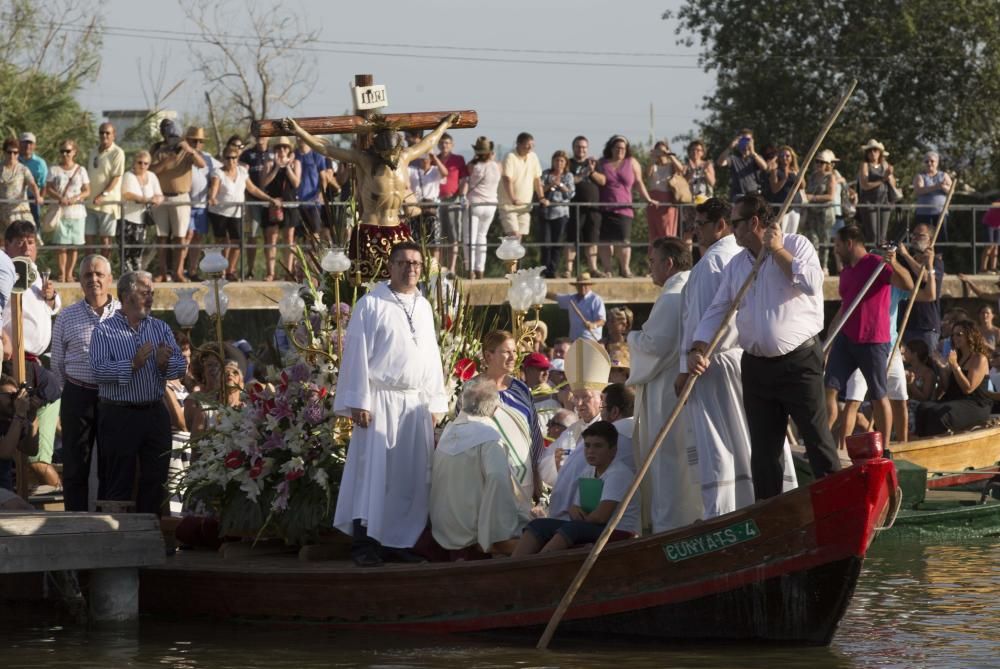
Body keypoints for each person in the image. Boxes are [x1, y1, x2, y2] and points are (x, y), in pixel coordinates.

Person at [687, 193, 841, 500]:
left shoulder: (796, 245)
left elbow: (812, 283)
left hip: (798, 362)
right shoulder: (736, 265)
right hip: (756, 366)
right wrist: (697, 348)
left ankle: (838, 501)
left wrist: (778, 250)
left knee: (816, 439)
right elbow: (718, 310)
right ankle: (768, 512)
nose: (731, 229)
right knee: (764, 448)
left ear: (753, 222)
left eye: (736, 223)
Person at [332, 241, 448, 566]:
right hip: (379, 400)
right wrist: (359, 400)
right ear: (391, 267)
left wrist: (435, 401)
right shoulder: (370, 304)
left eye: (416, 263)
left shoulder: (423, 307)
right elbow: (356, 352)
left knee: (409, 477)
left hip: (415, 404)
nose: (411, 268)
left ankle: (400, 542)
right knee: (373, 475)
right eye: (404, 262)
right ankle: (366, 546)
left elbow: (431, 358)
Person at [282, 113, 459, 278]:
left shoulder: (405, 156)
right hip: (371, 230)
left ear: (398, 147)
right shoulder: (364, 160)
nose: (391, 158)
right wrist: (298, 131)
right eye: (387, 154)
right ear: (379, 150)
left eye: (394, 153)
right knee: (366, 283)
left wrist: (445, 125)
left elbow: (429, 142)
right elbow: (326, 149)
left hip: (397, 229)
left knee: (407, 279)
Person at [90, 271, 186, 515]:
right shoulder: (104, 331)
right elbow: (99, 372)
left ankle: (150, 535)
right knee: (118, 479)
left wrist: (165, 365)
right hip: (119, 415)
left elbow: (181, 367)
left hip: (154, 413)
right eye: (145, 293)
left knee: (155, 478)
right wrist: (131, 364)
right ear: (127, 295)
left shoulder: (161, 328)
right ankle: (117, 540)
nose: (151, 298)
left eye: (152, 293)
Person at [627, 236, 699, 529]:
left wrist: (632, 337)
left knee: (668, 459)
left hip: (667, 391)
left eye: (652, 262)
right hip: (676, 386)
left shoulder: (673, 296)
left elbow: (655, 344)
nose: (650, 269)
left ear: (669, 263)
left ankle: (670, 525)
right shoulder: (688, 288)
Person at [824, 225, 914, 449]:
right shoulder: (846, 272)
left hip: (873, 340)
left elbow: (908, 285)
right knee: (829, 388)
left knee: (878, 395)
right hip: (846, 339)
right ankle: (823, 443)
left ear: (849, 243)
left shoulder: (876, 264)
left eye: (837, 245)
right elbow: (845, 308)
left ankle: (884, 448)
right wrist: (829, 339)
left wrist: (892, 263)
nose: (835, 250)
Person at [429, 377, 531, 558]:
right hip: (475, 536)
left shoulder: (447, 432)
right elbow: (498, 480)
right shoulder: (489, 437)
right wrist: (495, 532)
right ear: (494, 409)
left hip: (442, 530)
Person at [50, 254, 117, 510]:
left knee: (111, 463)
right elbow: (56, 363)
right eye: (88, 275)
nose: (94, 279)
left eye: (99, 274)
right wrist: (71, 393)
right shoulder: (67, 317)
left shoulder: (124, 313)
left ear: (109, 279)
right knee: (76, 464)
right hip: (78, 395)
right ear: (80, 281)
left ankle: (107, 523)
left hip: (114, 397)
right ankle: (75, 521)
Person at [512, 420, 638, 556]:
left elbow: (601, 517)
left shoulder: (618, 473)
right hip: (593, 527)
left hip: (618, 531)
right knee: (538, 525)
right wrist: (575, 513)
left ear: (613, 450)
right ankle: (513, 566)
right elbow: (575, 509)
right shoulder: (589, 472)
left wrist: (579, 519)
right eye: (587, 446)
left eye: (598, 446)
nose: (591, 451)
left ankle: (538, 566)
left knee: (572, 529)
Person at [1, 220, 61, 490]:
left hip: (36, 358)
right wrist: (3, 336)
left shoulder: (36, 275)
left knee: (36, 455)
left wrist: (51, 298)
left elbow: (47, 310)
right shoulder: (5, 272)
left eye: (31, 241)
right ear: (7, 246)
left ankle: (32, 414)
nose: (26, 246)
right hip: (15, 360)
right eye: (20, 242)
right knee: (52, 385)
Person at [539, 339, 610, 499]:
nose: (579, 404)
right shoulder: (573, 430)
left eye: (585, 397)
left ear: (601, 398)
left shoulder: (611, 429)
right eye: (576, 397)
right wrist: (557, 464)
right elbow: (546, 468)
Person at [479, 330, 543, 501]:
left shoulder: (521, 389)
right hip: (486, 476)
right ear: (489, 355)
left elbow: (534, 432)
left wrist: (537, 473)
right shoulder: (472, 390)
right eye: (506, 351)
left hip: (523, 474)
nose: (513, 356)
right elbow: (463, 431)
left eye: (514, 351)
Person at [591, 135, 658, 278]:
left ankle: (625, 269)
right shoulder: (602, 163)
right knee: (605, 241)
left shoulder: (632, 162)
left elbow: (639, 182)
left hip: (624, 208)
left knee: (624, 241)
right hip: (604, 207)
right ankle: (608, 269)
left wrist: (648, 199)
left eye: (623, 148)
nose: (620, 150)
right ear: (611, 148)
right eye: (617, 147)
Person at [208, 147, 279, 280]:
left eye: (234, 157)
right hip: (219, 212)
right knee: (221, 242)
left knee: (238, 242)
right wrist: (212, 197)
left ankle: (230, 271)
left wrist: (269, 199)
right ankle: (220, 271)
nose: (231, 160)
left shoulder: (242, 171)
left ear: (237, 159)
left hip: (237, 212)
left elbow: (252, 189)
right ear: (223, 159)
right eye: (228, 157)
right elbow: (214, 188)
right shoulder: (218, 172)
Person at [149, 119, 207, 283]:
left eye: (175, 134)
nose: (172, 138)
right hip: (161, 197)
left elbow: (201, 164)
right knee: (161, 237)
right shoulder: (157, 149)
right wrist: (165, 163)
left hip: (181, 197)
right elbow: (149, 171)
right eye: (168, 134)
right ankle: (161, 272)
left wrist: (189, 149)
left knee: (180, 237)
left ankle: (178, 272)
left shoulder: (185, 150)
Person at [915, 320, 992, 436]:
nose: (955, 338)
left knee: (938, 414)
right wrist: (942, 368)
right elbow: (947, 387)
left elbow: (968, 388)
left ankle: (937, 446)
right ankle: (920, 442)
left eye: (959, 335)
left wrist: (955, 366)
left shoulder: (979, 359)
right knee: (923, 408)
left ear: (969, 335)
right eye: (953, 335)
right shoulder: (958, 356)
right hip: (956, 400)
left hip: (975, 404)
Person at [46, 139, 90, 282]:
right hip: (61, 212)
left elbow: (87, 190)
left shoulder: (81, 170)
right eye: (62, 151)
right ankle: (62, 273)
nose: (65, 154)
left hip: (77, 212)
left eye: (68, 151)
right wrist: (60, 197)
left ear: (74, 152)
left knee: (74, 246)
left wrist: (76, 198)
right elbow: (48, 188)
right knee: (61, 246)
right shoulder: (54, 170)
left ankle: (70, 273)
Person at [260, 136, 301, 280]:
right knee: (272, 238)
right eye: (279, 147)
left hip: (289, 205)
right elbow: (264, 183)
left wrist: (287, 167)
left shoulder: (295, 162)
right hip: (273, 204)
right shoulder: (269, 163)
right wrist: (277, 167)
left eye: (285, 147)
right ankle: (271, 272)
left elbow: (296, 183)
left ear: (289, 149)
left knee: (289, 239)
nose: (282, 150)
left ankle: (288, 271)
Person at [900, 223, 944, 353]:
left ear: (930, 240)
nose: (915, 238)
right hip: (905, 324)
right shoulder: (905, 262)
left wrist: (906, 255)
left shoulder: (936, 262)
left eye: (921, 235)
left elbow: (925, 277)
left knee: (929, 365)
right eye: (914, 235)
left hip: (926, 325)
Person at [85, 122, 126, 258]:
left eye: (107, 133)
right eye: (101, 132)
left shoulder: (117, 152)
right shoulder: (93, 151)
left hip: (108, 204)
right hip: (90, 202)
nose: (104, 135)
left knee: (106, 240)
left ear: (114, 135)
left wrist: (103, 195)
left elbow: (116, 177)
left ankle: (104, 269)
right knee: (88, 238)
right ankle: (89, 268)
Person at [183, 127, 218, 281]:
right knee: (185, 237)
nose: (197, 143)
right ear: (187, 141)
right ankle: (178, 270)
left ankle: (192, 270)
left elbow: (220, 172)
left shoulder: (209, 159)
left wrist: (213, 193)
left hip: (202, 205)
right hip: (185, 204)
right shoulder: (182, 156)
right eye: (193, 140)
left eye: (200, 141)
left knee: (197, 238)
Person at [119, 151, 163, 273]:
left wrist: (157, 199)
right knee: (125, 253)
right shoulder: (128, 175)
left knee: (138, 252)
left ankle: (137, 277)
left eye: (146, 163)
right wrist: (146, 199)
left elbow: (159, 194)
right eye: (140, 162)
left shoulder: (152, 176)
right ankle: (126, 278)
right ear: (134, 162)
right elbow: (127, 194)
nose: (142, 166)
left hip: (142, 220)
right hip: (127, 218)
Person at [497, 132, 544, 242]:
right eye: (527, 144)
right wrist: (513, 198)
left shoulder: (533, 157)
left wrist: (541, 197)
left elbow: (537, 179)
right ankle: (509, 259)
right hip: (508, 206)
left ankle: (514, 259)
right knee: (514, 236)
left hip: (525, 207)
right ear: (518, 144)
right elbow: (506, 178)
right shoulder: (510, 156)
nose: (530, 147)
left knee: (518, 240)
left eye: (532, 145)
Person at [566, 135, 602, 278]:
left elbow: (603, 181)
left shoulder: (593, 162)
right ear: (573, 148)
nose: (581, 149)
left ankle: (593, 268)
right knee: (572, 240)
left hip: (593, 208)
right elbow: (567, 181)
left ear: (587, 149)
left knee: (592, 240)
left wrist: (592, 171)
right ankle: (568, 270)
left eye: (584, 147)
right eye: (578, 147)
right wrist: (582, 175)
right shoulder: (568, 164)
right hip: (574, 208)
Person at [0, 376, 38, 509]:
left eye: (16, 395)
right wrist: (19, 415)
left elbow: (31, 450)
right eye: (9, 396)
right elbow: (4, 453)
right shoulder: (16, 419)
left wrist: (32, 416)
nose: (14, 400)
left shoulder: (12, 422)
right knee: (23, 509)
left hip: (5, 491)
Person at [465, 136, 500, 280]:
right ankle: (481, 269)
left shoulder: (473, 166)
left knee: (470, 238)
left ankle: (470, 269)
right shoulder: (498, 165)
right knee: (482, 237)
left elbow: (468, 173)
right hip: (491, 204)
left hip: (475, 203)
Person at [239, 136, 274, 279]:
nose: (261, 137)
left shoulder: (273, 153)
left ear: (269, 137)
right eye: (258, 134)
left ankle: (270, 273)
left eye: (264, 134)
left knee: (270, 238)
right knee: (252, 236)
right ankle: (250, 271)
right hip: (252, 201)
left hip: (271, 202)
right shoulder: (247, 154)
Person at [800, 150, 838, 273]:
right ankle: (813, 266)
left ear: (827, 164)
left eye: (821, 162)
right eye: (817, 161)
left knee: (825, 241)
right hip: (812, 212)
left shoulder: (831, 177)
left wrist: (813, 198)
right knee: (812, 239)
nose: (818, 164)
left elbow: (831, 196)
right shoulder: (811, 177)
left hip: (825, 213)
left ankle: (824, 266)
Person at [436, 133, 468, 276]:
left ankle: (452, 268)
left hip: (453, 200)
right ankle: (440, 268)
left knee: (454, 236)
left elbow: (464, 180)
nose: (445, 146)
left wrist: (463, 196)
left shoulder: (458, 159)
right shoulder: (433, 160)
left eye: (447, 143)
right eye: (442, 143)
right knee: (439, 237)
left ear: (452, 145)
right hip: (436, 201)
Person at [539, 150, 575, 278]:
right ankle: (544, 270)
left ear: (565, 163)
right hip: (546, 213)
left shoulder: (568, 176)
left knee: (557, 243)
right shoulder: (546, 174)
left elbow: (570, 193)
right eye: (556, 160)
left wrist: (560, 184)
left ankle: (552, 271)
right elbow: (540, 190)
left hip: (561, 213)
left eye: (561, 161)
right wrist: (551, 184)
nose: (558, 163)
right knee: (545, 243)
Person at [407, 152, 448, 258]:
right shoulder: (413, 170)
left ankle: (434, 268)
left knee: (435, 240)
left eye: (426, 158)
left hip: (432, 207)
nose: (424, 160)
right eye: (422, 158)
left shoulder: (435, 170)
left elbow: (445, 173)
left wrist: (435, 158)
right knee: (417, 239)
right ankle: (421, 265)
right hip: (417, 207)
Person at [856, 139, 897, 245]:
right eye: (870, 150)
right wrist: (883, 179)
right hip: (869, 203)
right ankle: (872, 259)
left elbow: (893, 184)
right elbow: (865, 185)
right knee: (872, 235)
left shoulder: (885, 165)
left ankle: (882, 259)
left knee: (883, 237)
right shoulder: (864, 165)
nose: (873, 153)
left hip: (884, 202)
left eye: (875, 150)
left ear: (880, 152)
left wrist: (889, 176)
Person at [546, 273, 606, 341]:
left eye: (585, 285)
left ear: (589, 285)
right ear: (576, 286)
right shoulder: (571, 299)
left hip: (591, 339)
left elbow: (602, 321)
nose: (582, 287)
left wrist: (593, 325)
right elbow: (555, 297)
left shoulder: (596, 299)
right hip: (574, 340)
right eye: (580, 285)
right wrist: (541, 292)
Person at [645, 141, 685, 241]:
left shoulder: (671, 166)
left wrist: (669, 155)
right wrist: (653, 158)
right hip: (653, 201)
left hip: (667, 201)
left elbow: (681, 170)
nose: (660, 154)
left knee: (666, 233)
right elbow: (646, 175)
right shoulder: (653, 166)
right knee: (654, 234)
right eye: (658, 151)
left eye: (662, 151)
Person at [716, 129, 767, 200]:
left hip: (753, 194)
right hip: (738, 195)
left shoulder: (756, 157)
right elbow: (720, 163)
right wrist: (730, 147)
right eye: (742, 140)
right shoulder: (733, 158)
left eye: (747, 140)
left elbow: (764, 167)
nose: (745, 142)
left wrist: (753, 152)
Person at [1, 138, 40, 228]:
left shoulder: (23, 169)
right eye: (9, 152)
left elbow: (32, 184)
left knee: (28, 234)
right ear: (4, 152)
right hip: (3, 211)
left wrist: (37, 196)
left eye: (15, 153)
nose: (12, 155)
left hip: (20, 210)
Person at [913, 152, 953, 238]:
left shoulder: (944, 175)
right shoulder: (920, 176)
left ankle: (940, 252)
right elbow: (919, 190)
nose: (929, 163)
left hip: (941, 213)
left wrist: (943, 187)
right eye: (927, 161)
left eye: (932, 161)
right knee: (924, 237)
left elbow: (951, 190)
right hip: (924, 214)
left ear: (937, 162)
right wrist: (937, 186)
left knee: (941, 237)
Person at [765, 145, 801, 235]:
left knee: (792, 235)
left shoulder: (795, 171)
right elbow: (774, 189)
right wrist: (785, 178)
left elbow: (803, 186)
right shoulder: (775, 171)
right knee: (781, 234)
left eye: (787, 156)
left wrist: (798, 175)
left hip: (793, 208)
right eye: (782, 156)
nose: (785, 158)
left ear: (792, 158)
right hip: (780, 208)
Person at [17, 132, 47, 226]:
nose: (27, 145)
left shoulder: (40, 163)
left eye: (30, 143)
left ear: (34, 145)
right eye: (24, 142)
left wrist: (40, 198)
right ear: (19, 144)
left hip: (33, 200)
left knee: (34, 228)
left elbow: (44, 184)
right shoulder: (12, 159)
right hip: (15, 200)